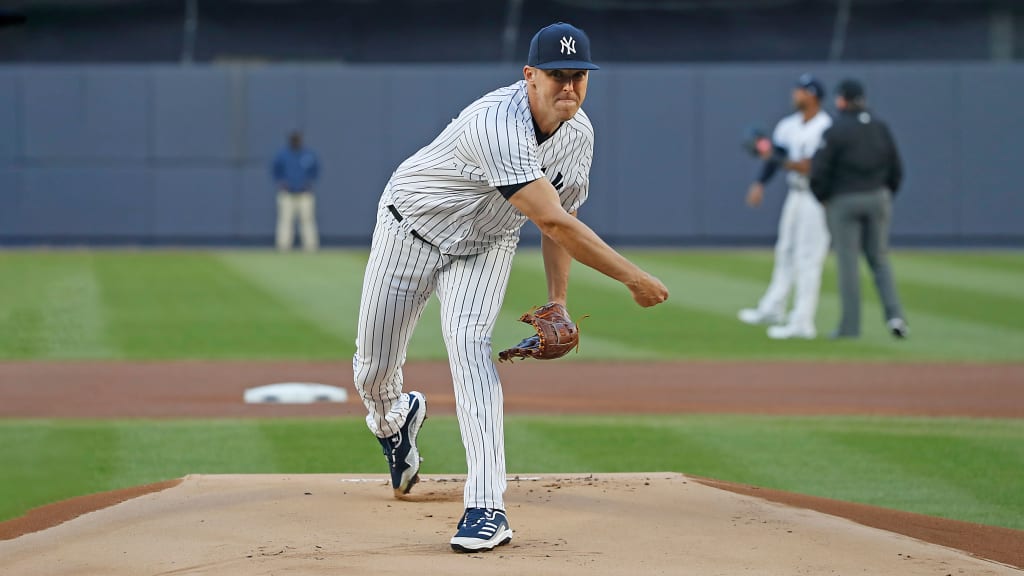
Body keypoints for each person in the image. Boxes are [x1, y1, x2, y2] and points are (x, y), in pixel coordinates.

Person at [352, 22, 668, 553]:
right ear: (530, 76)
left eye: (579, 76)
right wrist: (634, 279)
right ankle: (394, 417)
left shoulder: (579, 135)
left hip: (486, 244)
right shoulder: (497, 124)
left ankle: (485, 506)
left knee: (472, 352)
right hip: (411, 226)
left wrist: (558, 302)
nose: (569, 86)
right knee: (373, 366)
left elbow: (564, 215)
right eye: (556, 75)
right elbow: (554, 224)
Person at [811, 79, 908, 339]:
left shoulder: (836, 130)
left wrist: (822, 196)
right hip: (877, 196)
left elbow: (819, 171)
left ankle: (850, 328)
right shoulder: (880, 127)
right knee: (879, 260)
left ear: (842, 100)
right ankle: (896, 317)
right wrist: (886, 194)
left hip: (844, 200)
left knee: (848, 264)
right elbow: (896, 168)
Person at [738, 74, 833, 339]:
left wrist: (775, 158)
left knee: (808, 258)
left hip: (818, 196)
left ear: (812, 95)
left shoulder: (825, 127)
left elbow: (810, 166)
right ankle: (773, 308)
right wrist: (760, 182)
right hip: (796, 193)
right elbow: (777, 156)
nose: (795, 94)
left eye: (800, 91)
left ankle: (803, 321)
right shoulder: (789, 125)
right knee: (785, 251)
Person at [271, 131, 320, 252]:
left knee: (307, 221)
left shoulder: (307, 154)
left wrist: (309, 182)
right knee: (285, 221)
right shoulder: (283, 155)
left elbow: (315, 170)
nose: (295, 141)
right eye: (294, 139)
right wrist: (281, 182)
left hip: (304, 194)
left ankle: (311, 247)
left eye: (297, 139)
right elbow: (275, 171)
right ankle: (283, 247)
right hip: (287, 194)